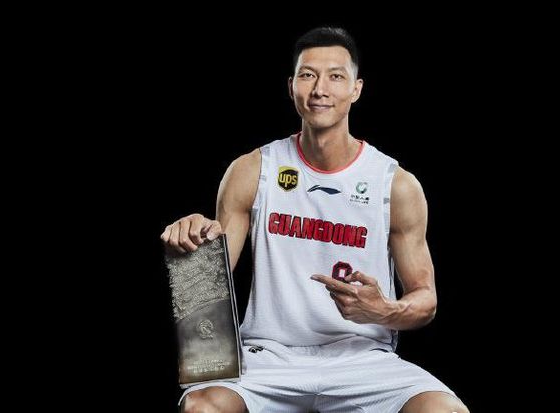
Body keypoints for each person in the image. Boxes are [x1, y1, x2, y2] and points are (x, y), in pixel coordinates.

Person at [162, 26, 469, 413]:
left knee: (444, 409)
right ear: (291, 86)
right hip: (268, 356)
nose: (320, 89)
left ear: (356, 89)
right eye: (308, 75)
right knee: (201, 407)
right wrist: (191, 240)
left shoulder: (395, 185)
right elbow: (209, 279)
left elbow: (426, 300)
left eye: (336, 76)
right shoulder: (253, 170)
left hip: (363, 358)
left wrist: (384, 311)